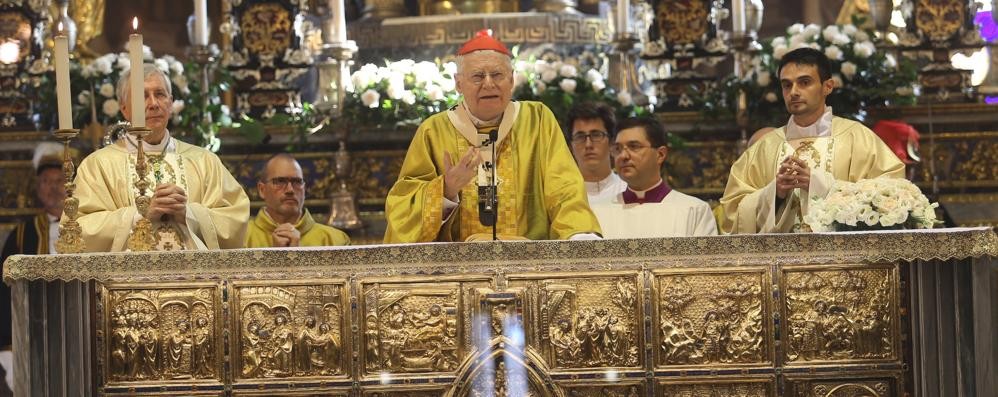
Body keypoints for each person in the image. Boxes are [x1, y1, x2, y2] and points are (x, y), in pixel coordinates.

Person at [383, 30, 601, 242]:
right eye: (477, 76)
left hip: (528, 263)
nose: (488, 83)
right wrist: (447, 189)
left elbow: (564, 186)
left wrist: (578, 232)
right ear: (458, 84)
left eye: (497, 75)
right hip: (458, 268)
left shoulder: (537, 120)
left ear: (512, 79)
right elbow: (403, 208)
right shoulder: (434, 130)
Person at [719, 47, 904, 234]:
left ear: (828, 86)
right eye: (786, 85)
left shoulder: (858, 138)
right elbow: (732, 210)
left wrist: (819, 185)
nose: (794, 92)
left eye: (804, 82)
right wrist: (775, 194)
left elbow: (892, 195)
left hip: (841, 260)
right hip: (779, 261)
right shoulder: (765, 147)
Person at [73, 63, 249, 251]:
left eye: (160, 94)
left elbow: (236, 218)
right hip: (130, 279)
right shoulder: (98, 165)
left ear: (171, 103)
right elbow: (78, 228)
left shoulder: (204, 161)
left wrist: (189, 214)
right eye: (143, 96)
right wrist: (140, 216)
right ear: (124, 109)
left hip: (196, 278)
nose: (153, 104)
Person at [0, 143, 70, 393]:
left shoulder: (92, 227)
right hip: (34, 336)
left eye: (60, 180)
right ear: (37, 188)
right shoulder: (21, 234)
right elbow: (5, 293)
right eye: (46, 181)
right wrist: (7, 346)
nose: (53, 188)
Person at [590, 117, 717, 238]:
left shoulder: (695, 211)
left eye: (634, 147)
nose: (623, 156)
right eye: (617, 149)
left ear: (660, 154)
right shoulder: (598, 213)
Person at [245, 154, 350, 247]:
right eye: (280, 181)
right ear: (262, 190)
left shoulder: (335, 241)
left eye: (297, 182)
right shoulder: (242, 238)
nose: (290, 190)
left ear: (304, 189)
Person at [565, 101, 627, 205]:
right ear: (571, 147)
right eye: (580, 137)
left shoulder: (628, 191)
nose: (588, 144)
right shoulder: (562, 196)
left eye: (596, 135)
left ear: (612, 142)